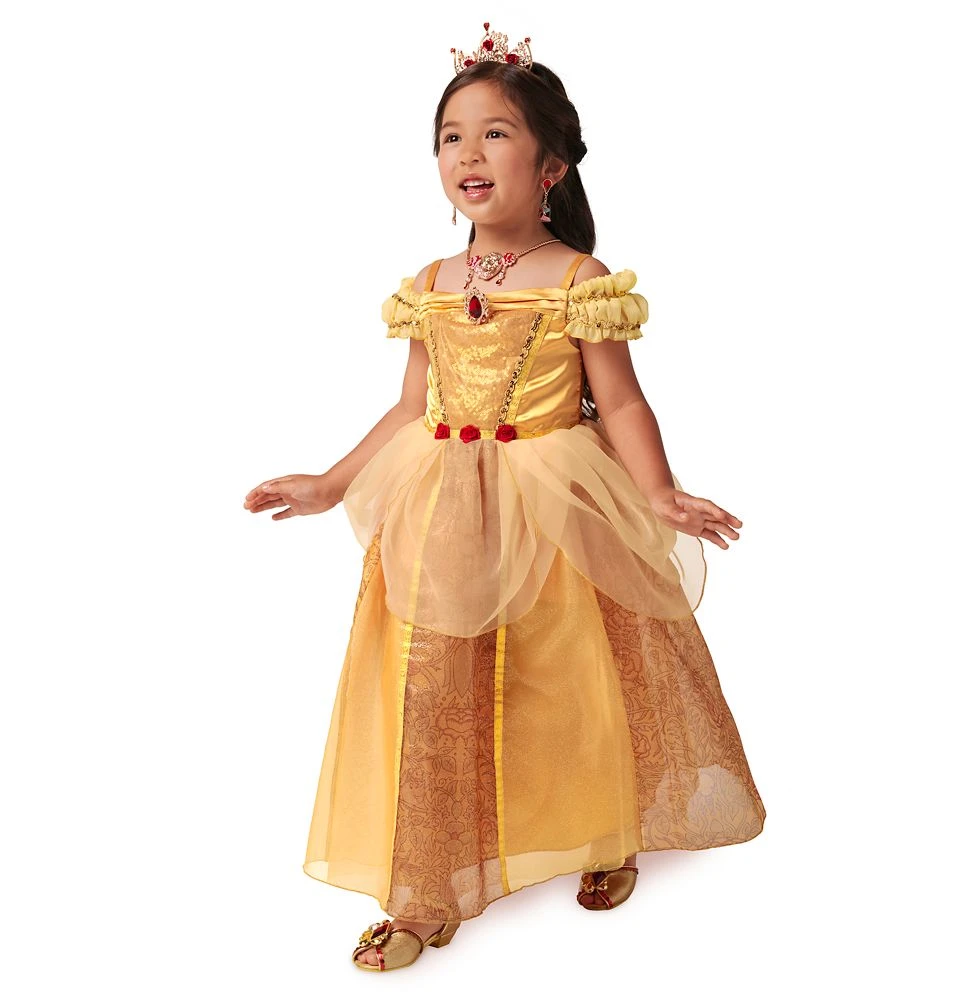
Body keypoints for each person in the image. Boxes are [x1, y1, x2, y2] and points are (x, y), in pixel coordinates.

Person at [243, 22, 765, 974]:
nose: (469, 154)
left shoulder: (578, 280)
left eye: (495, 134)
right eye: (451, 136)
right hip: (443, 504)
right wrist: (330, 483)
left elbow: (623, 400)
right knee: (433, 685)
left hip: (553, 503)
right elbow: (411, 405)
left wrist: (658, 492)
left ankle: (603, 827)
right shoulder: (430, 284)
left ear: (551, 166)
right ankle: (423, 888)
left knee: (566, 677)